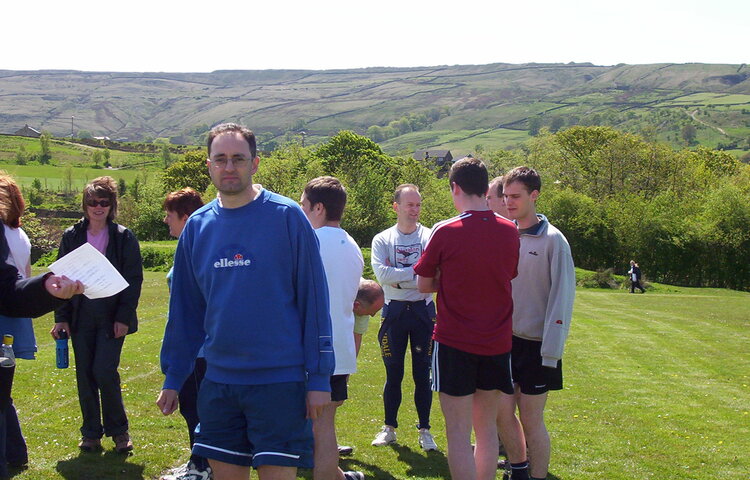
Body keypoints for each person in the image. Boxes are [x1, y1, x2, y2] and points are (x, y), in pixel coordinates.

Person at [157, 123, 334, 480]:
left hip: (279, 383)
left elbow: (314, 303)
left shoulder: (287, 218)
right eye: (220, 159)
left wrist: (318, 379)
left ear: (255, 163)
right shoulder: (197, 227)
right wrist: (174, 376)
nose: (229, 167)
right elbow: (185, 313)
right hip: (219, 384)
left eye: (238, 158)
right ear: (209, 166)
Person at [413, 158, 520, 480]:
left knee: (457, 434)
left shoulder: (445, 230)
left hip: (455, 341)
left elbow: (423, 283)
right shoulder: (509, 230)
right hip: (497, 343)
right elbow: (507, 275)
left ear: (455, 188)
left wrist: (447, 279)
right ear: (486, 188)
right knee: (485, 428)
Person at [51, 176, 143, 454]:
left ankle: (119, 431)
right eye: (92, 202)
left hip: (112, 316)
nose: (98, 207)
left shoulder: (123, 237)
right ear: (85, 204)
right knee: (85, 375)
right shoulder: (71, 236)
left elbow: (133, 280)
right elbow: (60, 278)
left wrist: (124, 318)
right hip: (80, 315)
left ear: (112, 205)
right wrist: (61, 318)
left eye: (104, 202)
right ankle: (91, 433)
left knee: (104, 371)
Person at [496, 166, 575, 480]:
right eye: (505, 196)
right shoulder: (504, 233)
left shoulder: (554, 241)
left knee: (530, 419)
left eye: (516, 196)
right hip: (503, 342)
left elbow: (562, 298)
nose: (509, 202)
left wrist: (551, 352)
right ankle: (519, 468)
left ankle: (537, 476)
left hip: (538, 346)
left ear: (535, 195)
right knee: (502, 414)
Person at [300, 176, 364, 480]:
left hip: (308, 349)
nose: (301, 211)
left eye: (303, 205)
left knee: (317, 427)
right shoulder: (352, 245)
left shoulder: (308, 241)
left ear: (318, 208)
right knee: (324, 425)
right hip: (338, 349)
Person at [370, 184, 438, 452]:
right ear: (396, 207)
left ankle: (425, 430)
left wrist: (402, 279)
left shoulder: (431, 236)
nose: (415, 210)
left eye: (419, 204)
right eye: (410, 205)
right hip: (394, 313)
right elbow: (383, 276)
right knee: (393, 373)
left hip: (423, 312)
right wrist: (416, 276)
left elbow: (433, 277)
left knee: (423, 374)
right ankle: (389, 428)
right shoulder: (383, 239)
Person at [160, 188, 211, 480]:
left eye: (170, 216)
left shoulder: (196, 249)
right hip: (196, 348)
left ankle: (203, 467)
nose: (167, 222)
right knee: (192, 409)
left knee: (197, 410)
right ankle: (197, 462)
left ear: (187, 217)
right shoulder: (191, 247)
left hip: (199, 349)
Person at [0, 174, 34, 473]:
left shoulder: (4, 235)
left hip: (3, 312)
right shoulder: (20, 236)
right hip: (16, 317)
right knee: (4, 390)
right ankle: (17, 453)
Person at [352, 279, 384, 356]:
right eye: (371, 311)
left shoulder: (364, 298)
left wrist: (350, 365)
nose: (373, 315)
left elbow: (357, 336)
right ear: (356, 305)